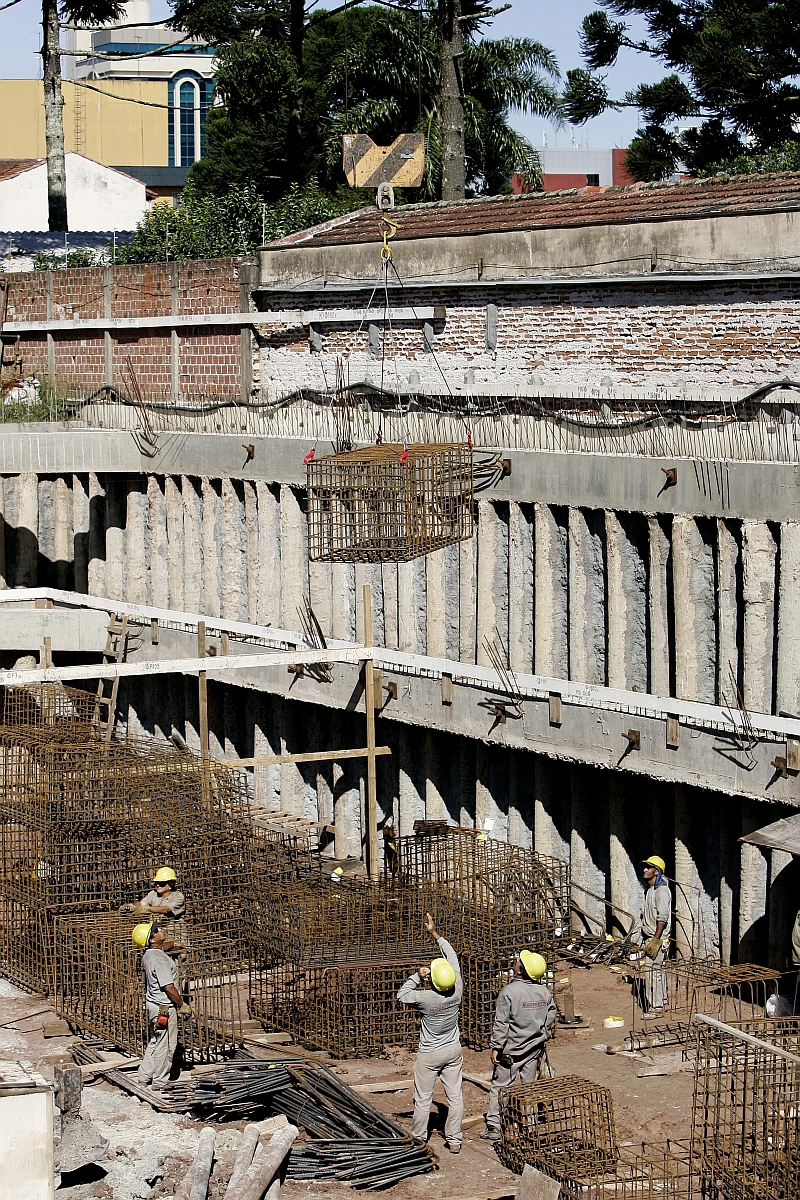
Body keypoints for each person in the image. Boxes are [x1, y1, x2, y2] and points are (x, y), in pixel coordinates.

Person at [397, 912, 464, 1154]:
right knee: (455, 1096)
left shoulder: (425, 998)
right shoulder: (457, 990)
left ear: (432, 981)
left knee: (423, 1099)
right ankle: (454, 1139)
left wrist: (416, 976)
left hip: (429, 1054)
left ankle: (418, 1139)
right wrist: (435, 935)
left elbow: (401, 995)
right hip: (453, 1050)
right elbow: (453, 957)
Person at [481, 950, 557, 1142]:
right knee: (528, 1088)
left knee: (500, 1086)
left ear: (521, 970)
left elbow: (501, 1023)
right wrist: (542, 1032)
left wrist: (496, 1046)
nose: (515, 962)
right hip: (533, 1050)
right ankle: (530, 1125)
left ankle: (494, 1126)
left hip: (510, 1052)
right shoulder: (544, 992)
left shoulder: (509, 992)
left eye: (518, 961)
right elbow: (551, 1015)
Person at [132, 922, 191, 1090]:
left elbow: (161, 947)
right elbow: (169, 987)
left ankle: (143, 1077)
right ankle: (160, 1083)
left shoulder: (149, 954)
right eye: (156, 931)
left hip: (153, 1006)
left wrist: (173, 944)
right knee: (166, 1047)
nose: (161, 930)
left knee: (155, 1041)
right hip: (164, 1008)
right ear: (151, 939)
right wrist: (182, 1005)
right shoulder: (160, 961)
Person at [635, 855, 672, 1015]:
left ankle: (655, 1007)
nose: (645, 870)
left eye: (648, 868)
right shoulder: (651, 890)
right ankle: (662, 1002)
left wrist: (656, 940)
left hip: (656, 938)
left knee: (652, 973)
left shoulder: (662, 891)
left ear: (656, 872)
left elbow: (662, 917)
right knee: (658, 971)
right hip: (651, 936)